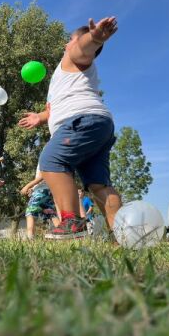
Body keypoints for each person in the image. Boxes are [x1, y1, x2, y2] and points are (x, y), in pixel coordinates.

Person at [18, 17, 122, 239]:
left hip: (82, 120)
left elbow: (82, 50)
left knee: (51, 160)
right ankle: (122, 234)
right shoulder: (65, 77)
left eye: (71, 40)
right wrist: (41, 116)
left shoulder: (73, 58)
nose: (68, 44)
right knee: (99, 184)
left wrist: (93, 38)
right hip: (98, 123)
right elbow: (56, 108)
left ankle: (71, 222)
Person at [20, 166, 60, 239]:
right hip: (48, 191)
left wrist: (27, 186)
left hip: (41, 191)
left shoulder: (44, 157)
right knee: (50, 213)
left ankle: (30, 238)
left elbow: (42, 176)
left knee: (30, 211)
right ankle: (63, 234)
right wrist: (33, 189)